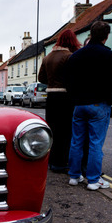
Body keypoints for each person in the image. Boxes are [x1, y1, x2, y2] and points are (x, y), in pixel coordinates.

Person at [65, 21, 112, 190]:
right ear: (106, 36)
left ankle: (74, 176)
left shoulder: (76, 56)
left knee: (76, 141)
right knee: (95, 143)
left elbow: (69, 80)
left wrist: (74, 98)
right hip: (98, 104)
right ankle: (94, 180)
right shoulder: (108, 55)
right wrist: (110, 100)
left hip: (79, 104)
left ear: (91, 34)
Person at [39, 29, 81, 173]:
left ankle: (51, 160)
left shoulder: (47, 57)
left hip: (51, 96)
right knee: (65, 131)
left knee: (52, 129)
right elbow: (73, 78)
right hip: (65, 96)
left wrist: (52, 81)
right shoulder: (70, 56)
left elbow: (41, 79)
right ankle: (61, 163)